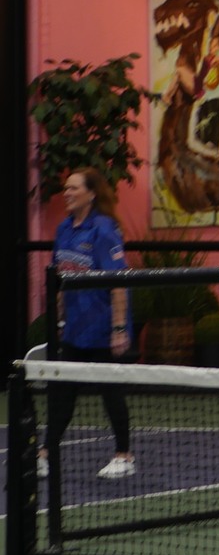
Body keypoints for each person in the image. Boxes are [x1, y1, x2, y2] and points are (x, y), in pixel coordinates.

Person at [38, 168, 137, 481]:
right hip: (75, 329)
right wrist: (59, 320)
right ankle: (45, 454)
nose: (66, 193)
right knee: (63, 394)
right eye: (65, 188)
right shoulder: (64, 229)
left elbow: (118, 283)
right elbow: (60, 279)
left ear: (91, 194)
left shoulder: (104, 230)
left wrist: (119, 329)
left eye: (73, 188)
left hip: (104, 329)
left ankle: (124, 456)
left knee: (111, 392)